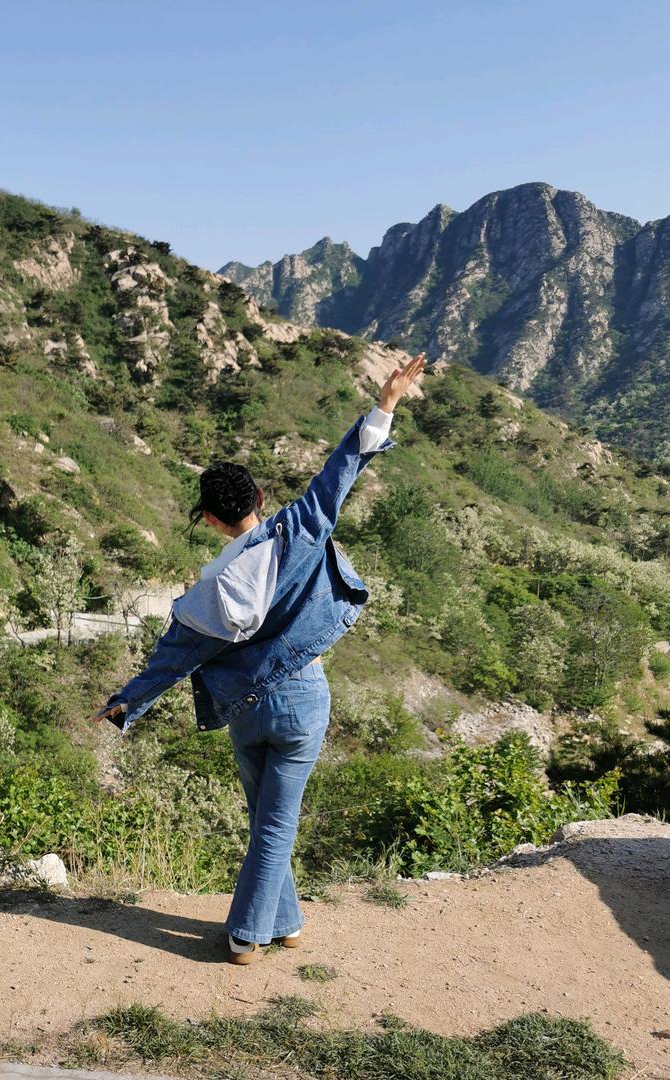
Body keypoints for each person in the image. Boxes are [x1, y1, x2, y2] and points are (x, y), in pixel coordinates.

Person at [95, 353, 427, 964]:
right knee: (277, 824)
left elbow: (172, 659)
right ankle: (249, 936)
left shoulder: (210, 589)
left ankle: (285, 922)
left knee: (266, 822)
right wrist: (386, 404)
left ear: (214, 520)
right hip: (303, 700)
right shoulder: (300, 529)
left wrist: (124, 705)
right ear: (261, 497)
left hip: (244, 709)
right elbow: (341, 469)